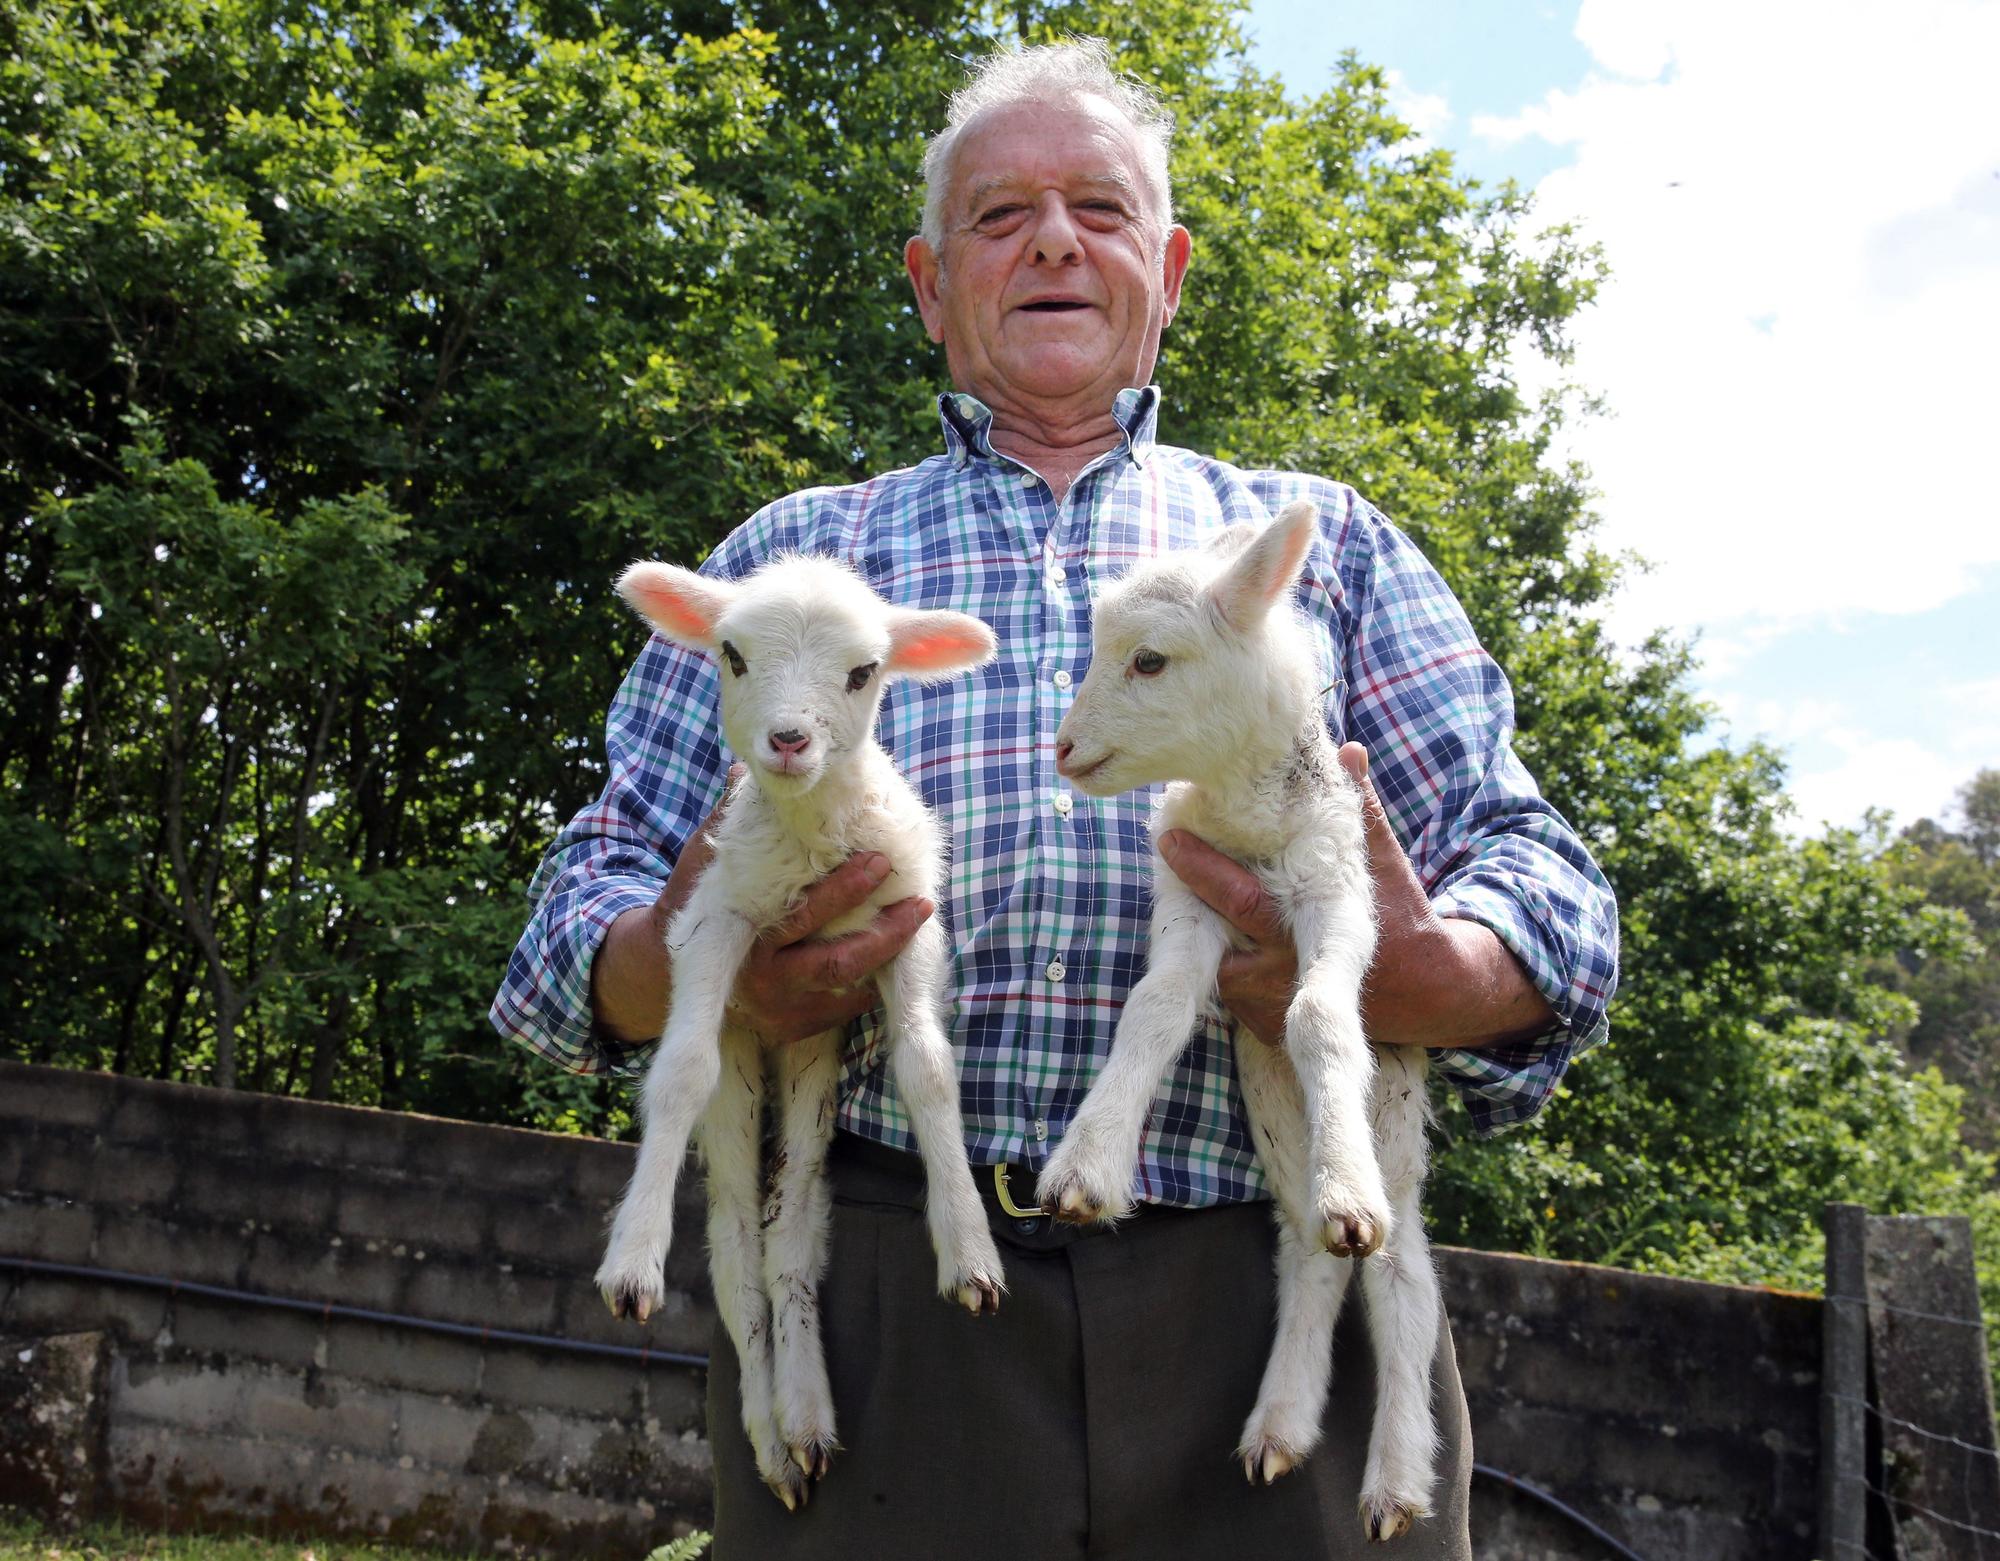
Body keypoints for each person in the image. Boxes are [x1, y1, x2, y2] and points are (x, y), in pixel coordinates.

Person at [492, 38, 1618, 1561]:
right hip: (893, 1310)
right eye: (1000, 213)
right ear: (927, 280)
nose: (1053, 241)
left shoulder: (1315, 548)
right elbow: (585, 892)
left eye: (1099, 205)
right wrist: (691, 956)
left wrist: (1433, 967)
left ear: (1169, 265)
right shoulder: (801, 564)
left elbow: (1544, 878)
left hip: (1279, 1284)